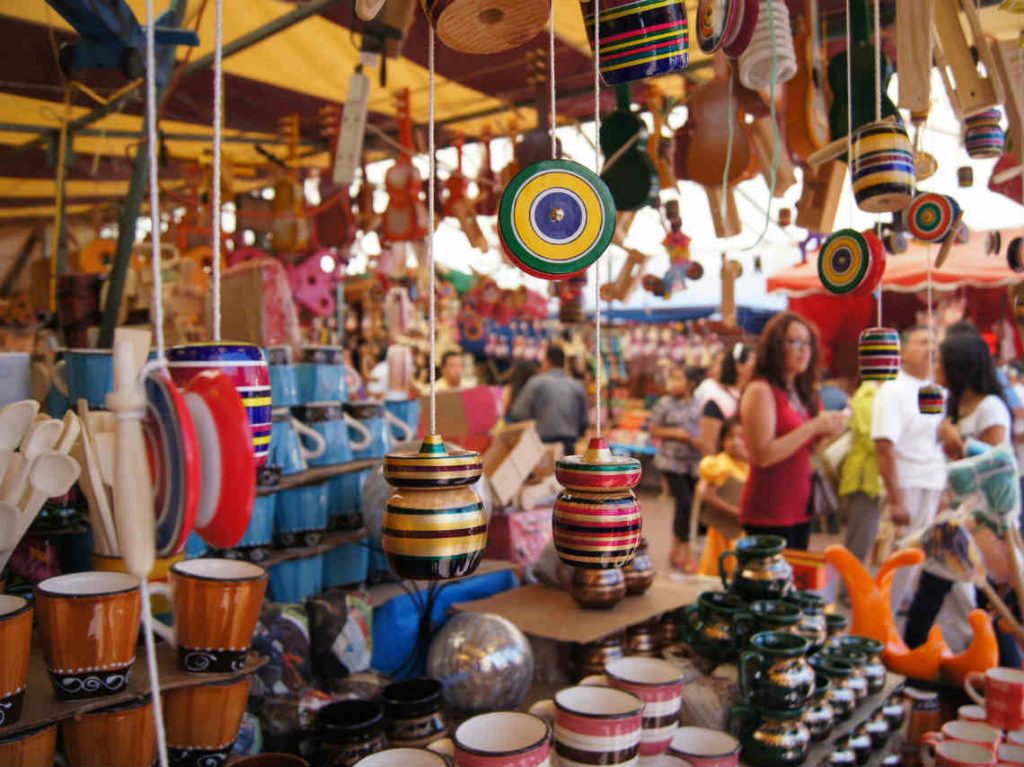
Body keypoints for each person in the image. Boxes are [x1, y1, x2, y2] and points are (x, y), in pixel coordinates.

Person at [739, 312, 847, 550]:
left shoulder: (803, 392)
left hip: (800, 506)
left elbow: (807, 450)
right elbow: (762, 455)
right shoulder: (761, 390)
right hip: (769, 509)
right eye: (794, 342)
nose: (803, 350)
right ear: (776, 346)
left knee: (796, 578)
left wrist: (829, 431)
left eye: (807, 343)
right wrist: (814, 426)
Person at [871, 325, 947, 612]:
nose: (931, 348)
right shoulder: (892, 390)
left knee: (917, 561)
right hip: (906, 485)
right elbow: (884, 447)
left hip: (932, 482)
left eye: (934, 342)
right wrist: (895, 499)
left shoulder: (937, 389)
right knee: (897, 562)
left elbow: (936, 440)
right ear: (902, 352)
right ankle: (879, 625)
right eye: (923, 342)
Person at [650, 366, 705, 572]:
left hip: (693, 463)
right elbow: (654, 429)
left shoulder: (700, 405)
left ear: (691, 384)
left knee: (687, 507)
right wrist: (676, 433)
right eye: (672, 378)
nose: (673, 383)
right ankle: (684, 550)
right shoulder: (664, 404)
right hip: (671, 462)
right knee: (685, 502)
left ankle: (676, 547)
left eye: (679, 379)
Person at [507, 344, 588, 457]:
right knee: (566, 474)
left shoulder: (536, 383)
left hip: (542, 445)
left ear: (547, 361)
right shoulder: (577, 386)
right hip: (569, 445)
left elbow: (518, 413)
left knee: (545, 475)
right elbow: (584, 421)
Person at [696, 418, 750, 577]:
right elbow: (708, 496)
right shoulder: (720, 464)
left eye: (740, 437)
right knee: (722, 565)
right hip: (722, 530)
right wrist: (737, 513)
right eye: (730, 437)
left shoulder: (749, 464)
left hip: (741, 530)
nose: (735, 442)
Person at [839, 379, 882, 565]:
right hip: (865, 479)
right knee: (860, 540)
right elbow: (874, 441)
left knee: (859, 537)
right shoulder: (868, 396)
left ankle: (847, 589)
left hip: (872, 477)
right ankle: (848, 591)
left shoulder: (877, 393)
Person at [697, 342, 756, 457]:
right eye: (753, 359)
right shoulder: (718, 399)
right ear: (739, 366)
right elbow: (708, 445)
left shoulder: (754, 393)